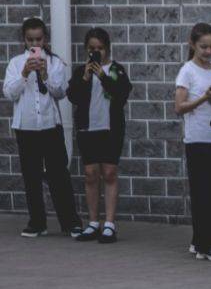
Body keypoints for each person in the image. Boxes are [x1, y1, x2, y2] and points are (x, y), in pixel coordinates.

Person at [2, 17, 82, 238]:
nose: (34, 44)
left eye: (38, 39)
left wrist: (45, 75)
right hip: (26, 127)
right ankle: (37, 222)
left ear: (44, 39)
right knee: (31, 176)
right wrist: (24, 73)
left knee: (59, 175)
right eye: (30, 40)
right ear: (24, 40)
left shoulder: (55, 62)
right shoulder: (16, 63)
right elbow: (9, 93)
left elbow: (60, 93)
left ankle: (70, 222)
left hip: (49, 125)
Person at [174, 22, 211, 261]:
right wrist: (204, 98)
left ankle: (201, 241)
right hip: (197, 140)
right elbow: (179, 107)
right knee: (202, 193)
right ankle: (208, 245)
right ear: (193, 45)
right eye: (203, 47)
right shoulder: (187, 71)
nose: (208, 51)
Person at [67, 27, 132, 243]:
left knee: (110, 172)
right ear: (86, 49)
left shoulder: (116, 70)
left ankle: (110, 224)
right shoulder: (81, 72)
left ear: (107, 49)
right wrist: (86, 77)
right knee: (90, 174)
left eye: (100, 49)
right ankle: (93, 222)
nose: (96, 52)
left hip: (111, 129)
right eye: (92, 49)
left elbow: (121, 94)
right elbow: (73, 96)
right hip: (88, 129)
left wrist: (102, 76)